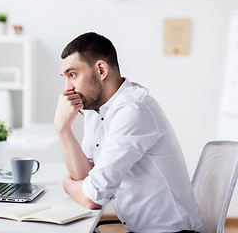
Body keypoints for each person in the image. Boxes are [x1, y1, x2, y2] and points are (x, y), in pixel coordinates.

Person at [54, 32, 203, 233]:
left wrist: (66, 183)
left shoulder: (133, 111)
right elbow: (86, 177)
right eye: (65, 78)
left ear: (101, 69)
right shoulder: (96, 111)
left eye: (73, 75)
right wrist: (63, 129)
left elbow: (92, 198)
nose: (67, 89)